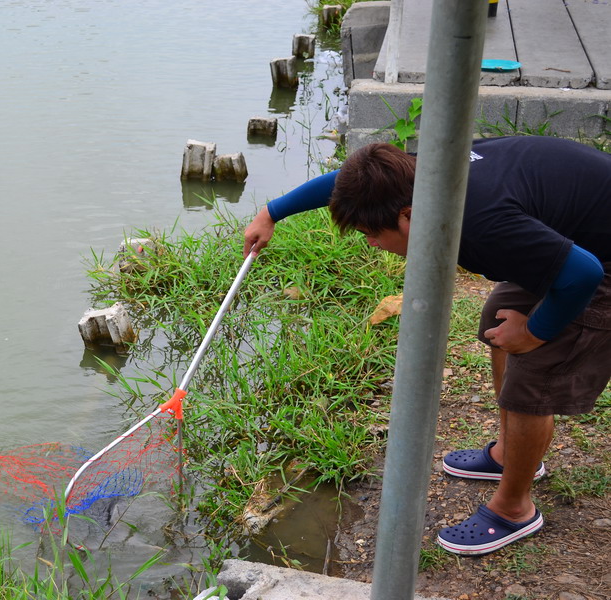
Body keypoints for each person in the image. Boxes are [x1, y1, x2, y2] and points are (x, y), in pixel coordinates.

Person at [243, 136, 611, 556]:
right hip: (570, 234)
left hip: (598, 262)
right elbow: (344, 182)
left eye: (370, 233)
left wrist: (535, 332)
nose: (370, 243)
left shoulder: (482, 223)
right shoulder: (420, 174)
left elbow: (583, 274)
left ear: (409, 217)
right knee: (499, 314)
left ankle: (514, 510)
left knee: (532, 372)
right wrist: (272, 212)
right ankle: (511, 455)